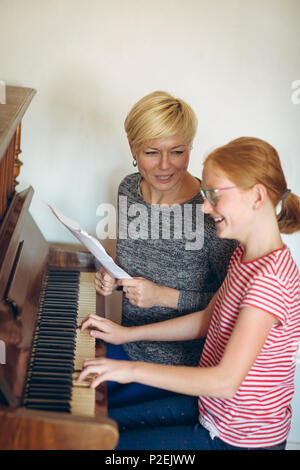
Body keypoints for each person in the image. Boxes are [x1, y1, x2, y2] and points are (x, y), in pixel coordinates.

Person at [78, 137, 300, 450]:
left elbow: (225, 381)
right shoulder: (245, 257)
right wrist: (126, 336)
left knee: (103, 446)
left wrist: (129, 370)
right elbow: (207, 320)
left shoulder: (269, 280)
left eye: (213, 196)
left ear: (257, 196)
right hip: (210, 411)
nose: (206, 208)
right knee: (94, 427)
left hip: (236, 440)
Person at [94, 91, 237, 407]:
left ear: (190, 148)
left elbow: (233, 308)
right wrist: (112, 276)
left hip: (181, 373)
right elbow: (135, 265)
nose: (164, 166)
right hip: (128, 346)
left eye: (177, 151)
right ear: (132, 148)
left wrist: (163, 297)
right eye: (150, 152)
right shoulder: (128, 188)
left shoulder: (212, 212)